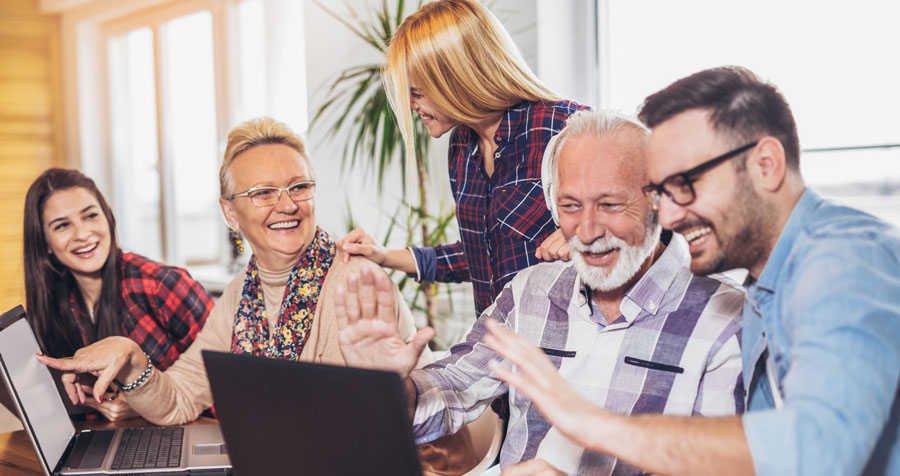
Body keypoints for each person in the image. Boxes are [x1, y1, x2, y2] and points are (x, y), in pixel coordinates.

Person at [485, 66, 900, 476]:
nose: (667, 214)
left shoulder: (844, 260)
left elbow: (818, 450)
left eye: (685, 184)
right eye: (662, 192)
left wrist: (595, 425)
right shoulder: (767, 286)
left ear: (766, 165)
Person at [38, 117, 485, 474]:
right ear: (230, 213)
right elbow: (178, 401)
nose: (287, 205)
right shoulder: (239, 294)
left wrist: (395, 389)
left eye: (299, 187)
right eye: (262, 193)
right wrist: (132, 355)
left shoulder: (357, 280)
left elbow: (380, 437)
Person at [334, 109, 746, 475]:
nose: (587, 231)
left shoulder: (725, 319)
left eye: (610, 205)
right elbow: (456, 387)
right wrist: (390, 388)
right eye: (570, 206)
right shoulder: (529, 292)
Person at [339, 0, 589, 316]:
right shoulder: (461, 147)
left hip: (563, 349)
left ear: (455, 78)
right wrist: (385, 256)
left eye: (416, 93)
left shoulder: (562, 127)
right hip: (496, 347)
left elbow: (650, 207)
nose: (410, 106)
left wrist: (582, 234)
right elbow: (480, 256)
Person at [23, 168, 212, 420]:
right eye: (62, 225)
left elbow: (227, 379)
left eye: (90, 216)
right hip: (116, 439)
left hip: (190, 431)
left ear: (108, 219)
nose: (82, 234)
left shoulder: (163, 284)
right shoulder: (55, 304)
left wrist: (146, 403)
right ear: (45, 243)